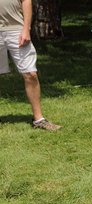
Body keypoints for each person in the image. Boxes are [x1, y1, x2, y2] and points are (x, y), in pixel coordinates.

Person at [0, 0, 61, 131]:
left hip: (16, 29)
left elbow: (26, 1)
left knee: (30, 74)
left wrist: (26, 28)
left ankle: (38, 119)